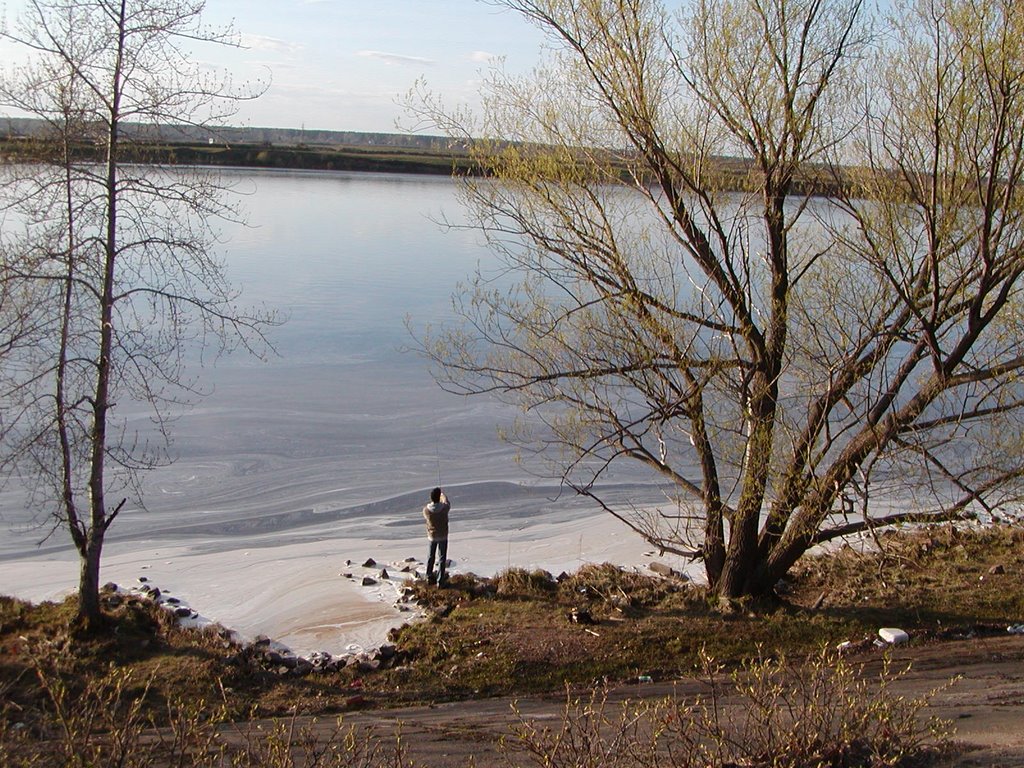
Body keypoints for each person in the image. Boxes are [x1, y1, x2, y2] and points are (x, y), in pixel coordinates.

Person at [422, 487, 450, 586]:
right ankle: (440, 581)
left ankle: (429, 576)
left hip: (432, 536)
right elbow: (447, 504)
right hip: (443, 536)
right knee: (442, 558)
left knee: (431, 556)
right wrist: (443, 496)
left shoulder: (426, 510)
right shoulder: (444, 508)